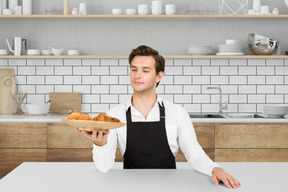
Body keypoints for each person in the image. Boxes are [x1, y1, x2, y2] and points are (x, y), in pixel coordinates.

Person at [77, 45, 241, 189]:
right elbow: (104, 167)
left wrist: (216, 169)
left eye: (145, 70)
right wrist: (100, 144)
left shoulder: (177, 112)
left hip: (170, 187)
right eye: (134, 69)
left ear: (159, 76)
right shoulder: (114, 115)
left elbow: (195, 154)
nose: (137, 75)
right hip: (130, 187)